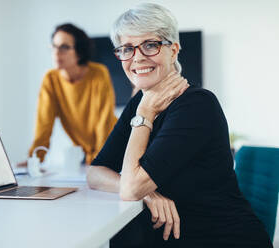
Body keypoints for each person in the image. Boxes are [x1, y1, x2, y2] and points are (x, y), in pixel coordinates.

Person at [87, 3, 272, 248]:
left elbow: (131, 189)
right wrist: (149, 194)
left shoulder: (196, 105)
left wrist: (145, 113)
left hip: (221, 239)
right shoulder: (140, 103)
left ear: (173, 50)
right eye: (127, 48)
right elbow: (95, 173)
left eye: (150, 45)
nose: (137, 57)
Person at [26, 23, 117, 165]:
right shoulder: (50, 79)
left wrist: (98, 160)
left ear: (79, 51)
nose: (56, 53)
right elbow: (44, 124)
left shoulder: (99, 73)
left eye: (64, 47)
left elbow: (103, 122)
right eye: (54, 46)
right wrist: (35, 160)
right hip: (87, 155)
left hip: (112, 148)